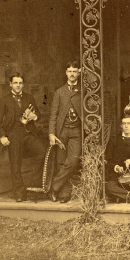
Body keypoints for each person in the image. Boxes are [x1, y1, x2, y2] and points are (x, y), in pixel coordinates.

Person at [0, 73, 46, 202]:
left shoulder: (29, 97)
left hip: (28, 133)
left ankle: (33, 183)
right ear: (10, 84)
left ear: (23, 84)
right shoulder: (4, 100)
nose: (18, 85)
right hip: (13, 135)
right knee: (15, 165)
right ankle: (19, 192)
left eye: (20, 83)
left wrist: (34, 117)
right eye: (15, 83)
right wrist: (2, 136)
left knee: (43, 152)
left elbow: (38, 114)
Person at [48, 61, 82, 203]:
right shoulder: (60, 92)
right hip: (61, 132)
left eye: (75, 71)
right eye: (69, 71)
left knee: (72, 162)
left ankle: (53, 187)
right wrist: (51, 133)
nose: (72, 74)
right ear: (66, 73)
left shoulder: (83, 91)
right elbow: (54, 115)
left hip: (76, 132)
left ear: (79, 73)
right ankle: (64, 194)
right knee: (62, 162)